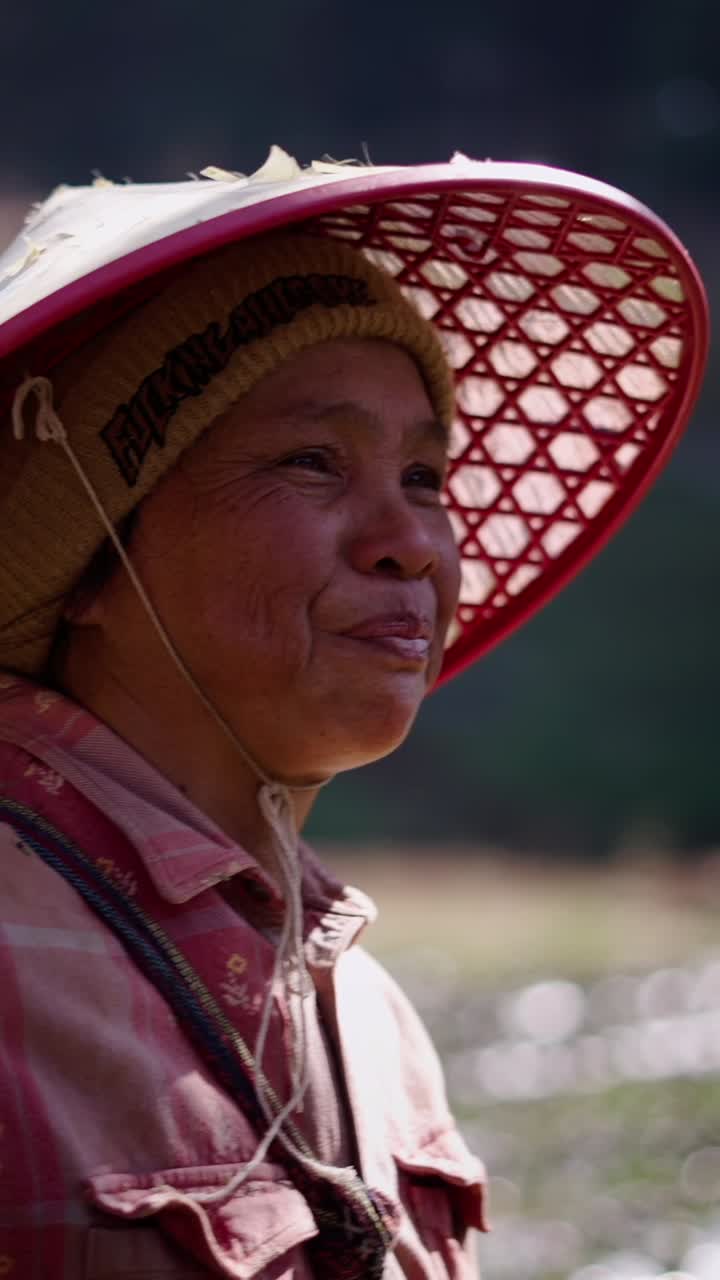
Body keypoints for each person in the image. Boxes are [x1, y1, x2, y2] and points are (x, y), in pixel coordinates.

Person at [0, 148, 707, 1278]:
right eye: (314, 461)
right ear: (87, 557)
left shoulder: (362, 1006)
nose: (410, 542)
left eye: (425, 477)